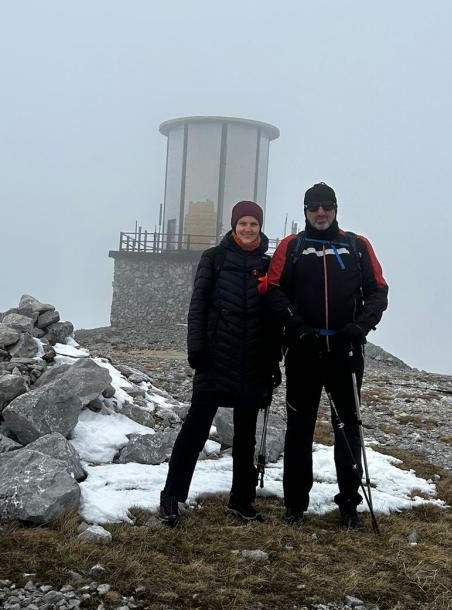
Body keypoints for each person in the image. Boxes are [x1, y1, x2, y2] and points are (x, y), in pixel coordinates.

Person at [262, 182, 388, 530]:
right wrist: (297, 327)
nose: (320, 212)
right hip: (303, 352)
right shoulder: (292, 246)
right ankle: (295, 504)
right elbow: (273, 291)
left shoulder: (357, 246)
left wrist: (361, 326)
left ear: (335, 208)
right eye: (313, 207)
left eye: (326, 206)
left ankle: (349, 505)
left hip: (345, 353)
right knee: (299, 429)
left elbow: (378, 291)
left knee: (348, 429)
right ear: (305, 211)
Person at [158, 200, 280, 528]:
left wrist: (273, 362)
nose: (248, 229)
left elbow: (272, 317)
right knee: (195, 430)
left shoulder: (268, 265)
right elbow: (198, 305)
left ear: (260, 227)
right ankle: (171, 496)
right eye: (243, 223)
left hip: (253, 360)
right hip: (215, 358)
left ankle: (241, 500)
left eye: (253, 224)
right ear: (233, 225)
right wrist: (196, 349)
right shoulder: (213, 258)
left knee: (246, 437)